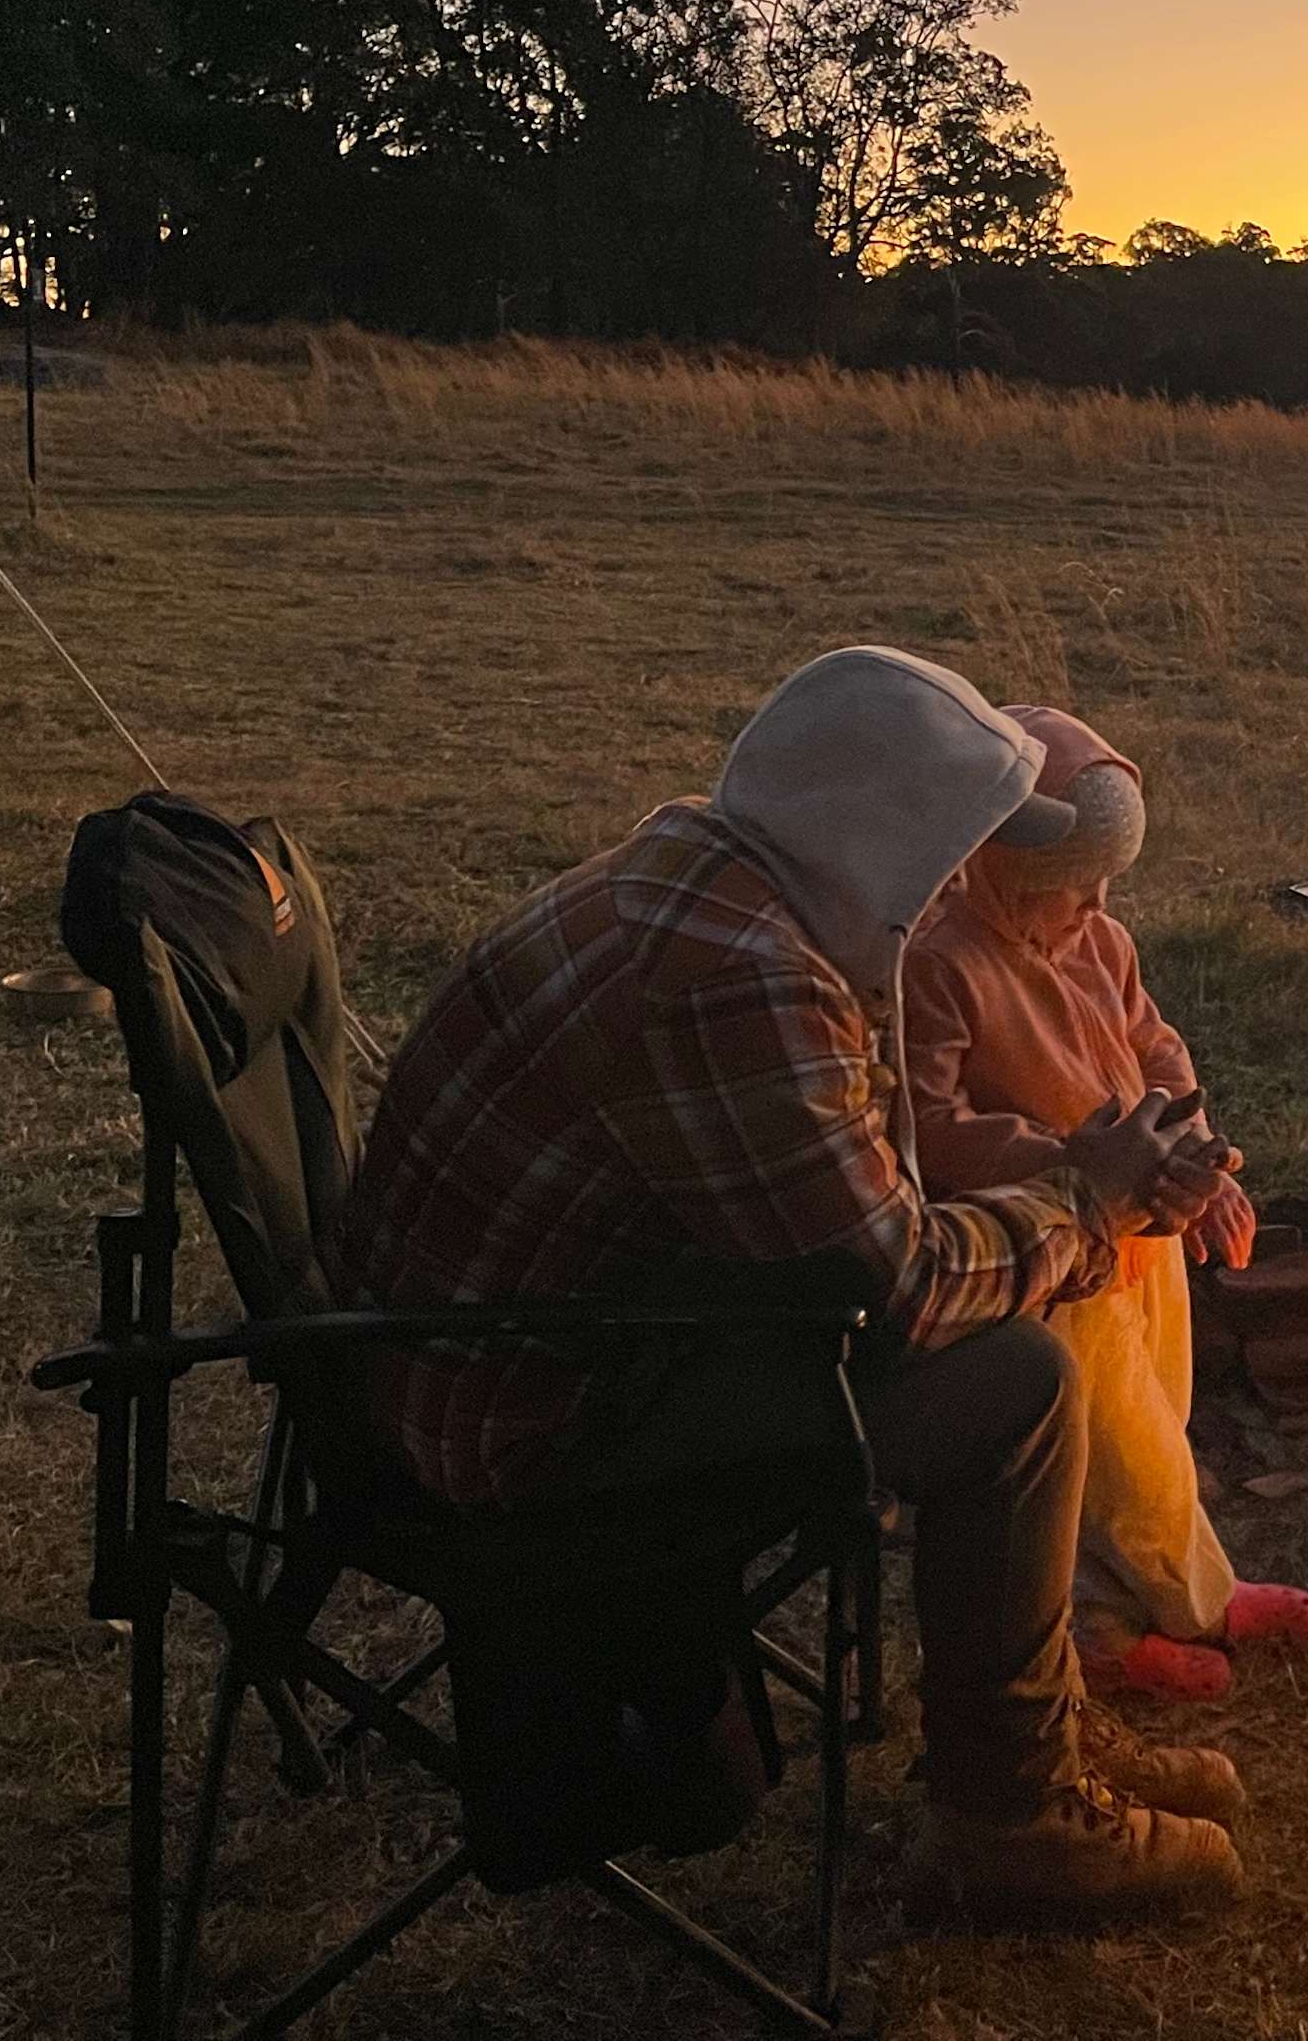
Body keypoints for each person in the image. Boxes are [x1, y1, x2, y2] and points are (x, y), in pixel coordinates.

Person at [340, 647, 1246, 1925]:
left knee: (1005, 1330)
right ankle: (1014, 1812)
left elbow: (863, 1191)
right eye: (956, 852)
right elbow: (903, 1284)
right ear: (888, 847)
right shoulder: (738, 974)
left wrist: (1048, 1194)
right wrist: (1089, 1205)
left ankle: (1038, 1732)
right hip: (537, 1423)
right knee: (1015, 1382)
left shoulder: (703, 869)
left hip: (537, 1337)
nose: (963, 891)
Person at [900, 706, 1308, 1703]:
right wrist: (1066, 1159)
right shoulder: (939, 961)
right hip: (1041, 1245)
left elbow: (1155, 1045)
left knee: (1155, 1412)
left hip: (1142, 1224)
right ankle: (1193, 1605)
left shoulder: (1098, 938)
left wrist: (1194, 1152)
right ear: (995, 863)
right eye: (1068, 885)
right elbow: (924, 1124)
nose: (1092, 904)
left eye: (1105, 883)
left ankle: (1102, 1620)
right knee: (1114, 1444)